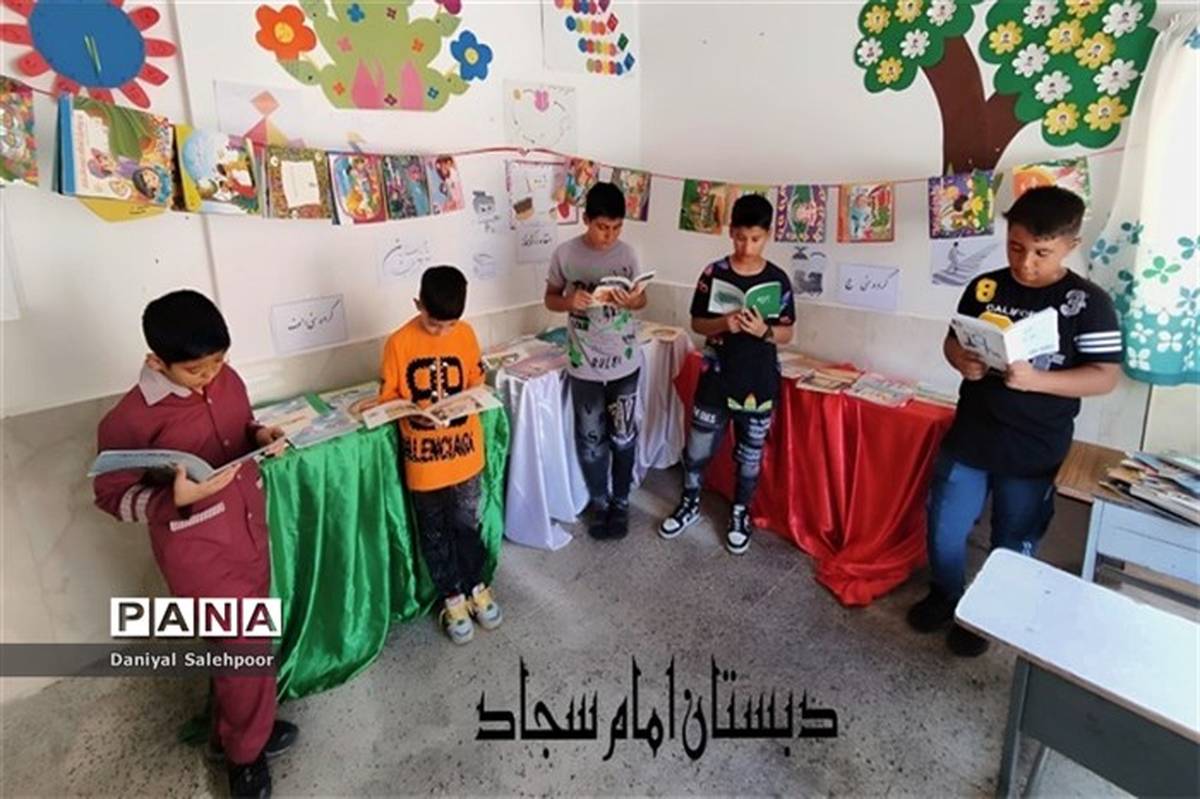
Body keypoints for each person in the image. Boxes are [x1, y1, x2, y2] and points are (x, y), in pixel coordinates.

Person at [93, 290, 297, 799]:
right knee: (243, 650)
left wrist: (260, 435)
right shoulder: (130, 419)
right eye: (195, 370)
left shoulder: (229, 381)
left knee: (243, 648)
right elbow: (111, 497)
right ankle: (245, 757)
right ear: (156, 362)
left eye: (218, 362)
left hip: (249, 535)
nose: (210, 376)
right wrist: (171, 501)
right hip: (199, 555)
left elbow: (238, 428)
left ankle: (234, 733)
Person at [906, 186, 1123, 657]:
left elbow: (1105, 377)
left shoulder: (1089, 303)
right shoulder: (985, 287)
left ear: (1071, 245)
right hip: (971, 436)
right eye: (1016, 247)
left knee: (1012, 537)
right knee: (944, 525)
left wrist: (1038, 381)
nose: (1026, 263)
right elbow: (953, 341)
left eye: (1042, 253)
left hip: (1034, 448)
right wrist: (962, 361)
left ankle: (990, 614)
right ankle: (946, 594)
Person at [659, 193, 796, 554]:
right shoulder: (714, 273)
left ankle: (740, 512)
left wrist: (763, 331)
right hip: (716, 380)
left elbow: (787, 333)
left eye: (755, 239)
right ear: (730, 231)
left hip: (758, 381)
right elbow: (696, 323)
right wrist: (724, 323)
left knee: (750, 456)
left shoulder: (777, 279)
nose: (746, 247)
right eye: (740, 238)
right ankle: (689, 503)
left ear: (767, 235)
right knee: (698, 448)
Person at [376, 265, 502, 644]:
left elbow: (475, 380)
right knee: (434, 532)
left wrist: (471, 398)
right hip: (424, 462)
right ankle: (452, 597)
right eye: (434, 324)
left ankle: (476, 585)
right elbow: (388, 397)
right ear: (419, 305)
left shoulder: (465, 334)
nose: (442, 332)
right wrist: (407, 409)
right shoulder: (398, 343)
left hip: (465, 456)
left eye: (450, 325)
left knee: (466, 525)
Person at [544, 181, 647, 540]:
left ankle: (621, 502)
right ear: (586, 219)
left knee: (623, 436)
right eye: (603, 227)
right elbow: (550, 298)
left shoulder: (628, 254)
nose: (610, 235)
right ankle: (599, 502)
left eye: (617, 227)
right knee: (591, 439)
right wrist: (568, 302)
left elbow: (641, 299)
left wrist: (632, 301)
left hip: (624, 363)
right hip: (584, 363)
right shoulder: (565, 254)